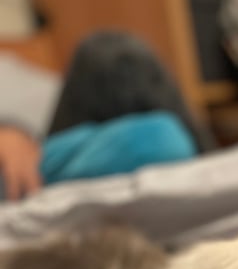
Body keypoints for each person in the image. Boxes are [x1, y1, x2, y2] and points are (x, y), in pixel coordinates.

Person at [0, 31, 214, 202]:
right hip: (20, 186)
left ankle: (213, 177)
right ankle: (214, 181)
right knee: (158, 140)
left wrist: (8, 129)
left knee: (106, 53)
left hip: (28, 156)